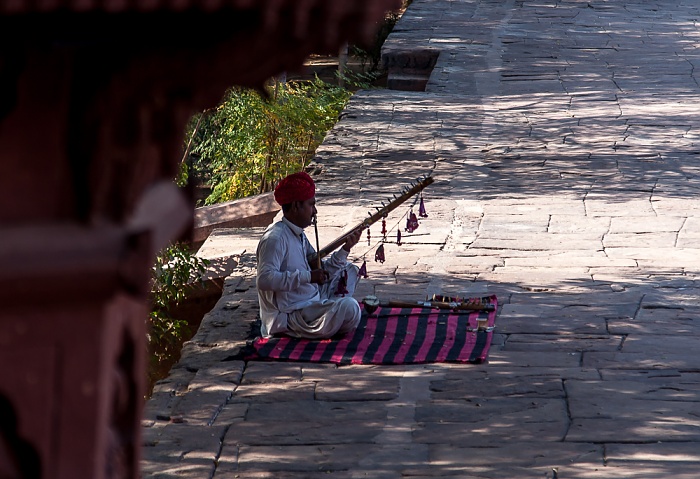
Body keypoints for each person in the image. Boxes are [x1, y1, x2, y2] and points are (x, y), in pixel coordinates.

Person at [256, 171, 363, 339]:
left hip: (310, 298)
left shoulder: (299, 235)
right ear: (296, 206)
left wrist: (346, 248)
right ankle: (317, 323)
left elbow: (320, 270)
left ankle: (327, 315)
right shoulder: (275, 239)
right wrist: (308, 277)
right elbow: (264, 280)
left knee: (350, 271)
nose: (315, 211)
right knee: (350, 308)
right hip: (290, 314)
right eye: (311, 205)